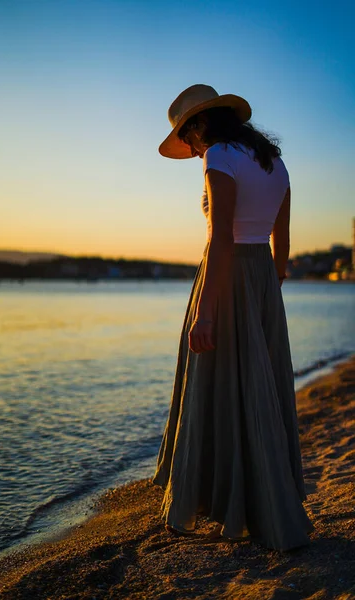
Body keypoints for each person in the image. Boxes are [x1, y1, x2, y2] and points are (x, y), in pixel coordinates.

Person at [152, 84, 314, 552]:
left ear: (199, 126)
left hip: (227, 273)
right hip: (261, 277)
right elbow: (281, 247)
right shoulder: (275, 162)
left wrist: (206, 311)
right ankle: (262, 499)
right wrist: (267, 287)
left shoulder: (219, 155)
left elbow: (220, 237)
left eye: (191, 139)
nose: (195, 149)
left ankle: (209, 502)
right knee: (256, 386)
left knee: (216, 384)